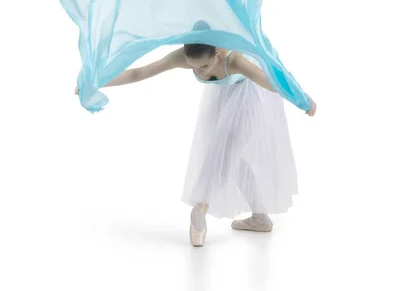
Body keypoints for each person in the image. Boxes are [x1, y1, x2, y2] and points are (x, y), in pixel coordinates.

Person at [75, 42, 316, 247]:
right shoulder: (185, 57)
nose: (199, 71)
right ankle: (260, 216)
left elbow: (269, 81)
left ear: (217, 54)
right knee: (231, 153)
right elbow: (139, 73)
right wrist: (95, 82)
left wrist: (302, 100)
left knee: (225, 148)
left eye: (204, 66)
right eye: (193, 66)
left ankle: (201, 206)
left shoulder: (235, 60)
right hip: (226, 92)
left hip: (251, 92)